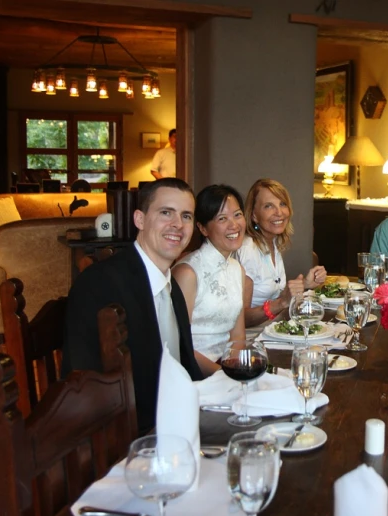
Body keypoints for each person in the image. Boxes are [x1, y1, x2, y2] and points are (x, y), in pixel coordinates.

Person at [63, 178, 205, 434]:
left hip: (174, 422)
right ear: (139, 219)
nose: (178, 225)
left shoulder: (170, 285)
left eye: (186, 216)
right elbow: (87, 383)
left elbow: (183, 366)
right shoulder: (99, 285)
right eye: (166, 213)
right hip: (122, 436)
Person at [236, 178, 326, 326]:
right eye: (268, 206)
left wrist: (305, 284)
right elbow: (240, 319)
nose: (279, 212)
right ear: (254, 215)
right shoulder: (248, 249)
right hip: (253, 340)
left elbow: (274, 293)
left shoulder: (273, 242)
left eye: (282, 204)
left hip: (274, 329)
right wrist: (282, 302)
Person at [173, 185, 247, 364]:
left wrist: (235, 372)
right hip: (192, 372)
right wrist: (221, 375)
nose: (234, 225)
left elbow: (238, 337)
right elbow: (180, 346)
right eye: (222, 218)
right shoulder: (187, 273)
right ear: (203, 228)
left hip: (227, 367)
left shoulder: (237, 269)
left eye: (237, 215)